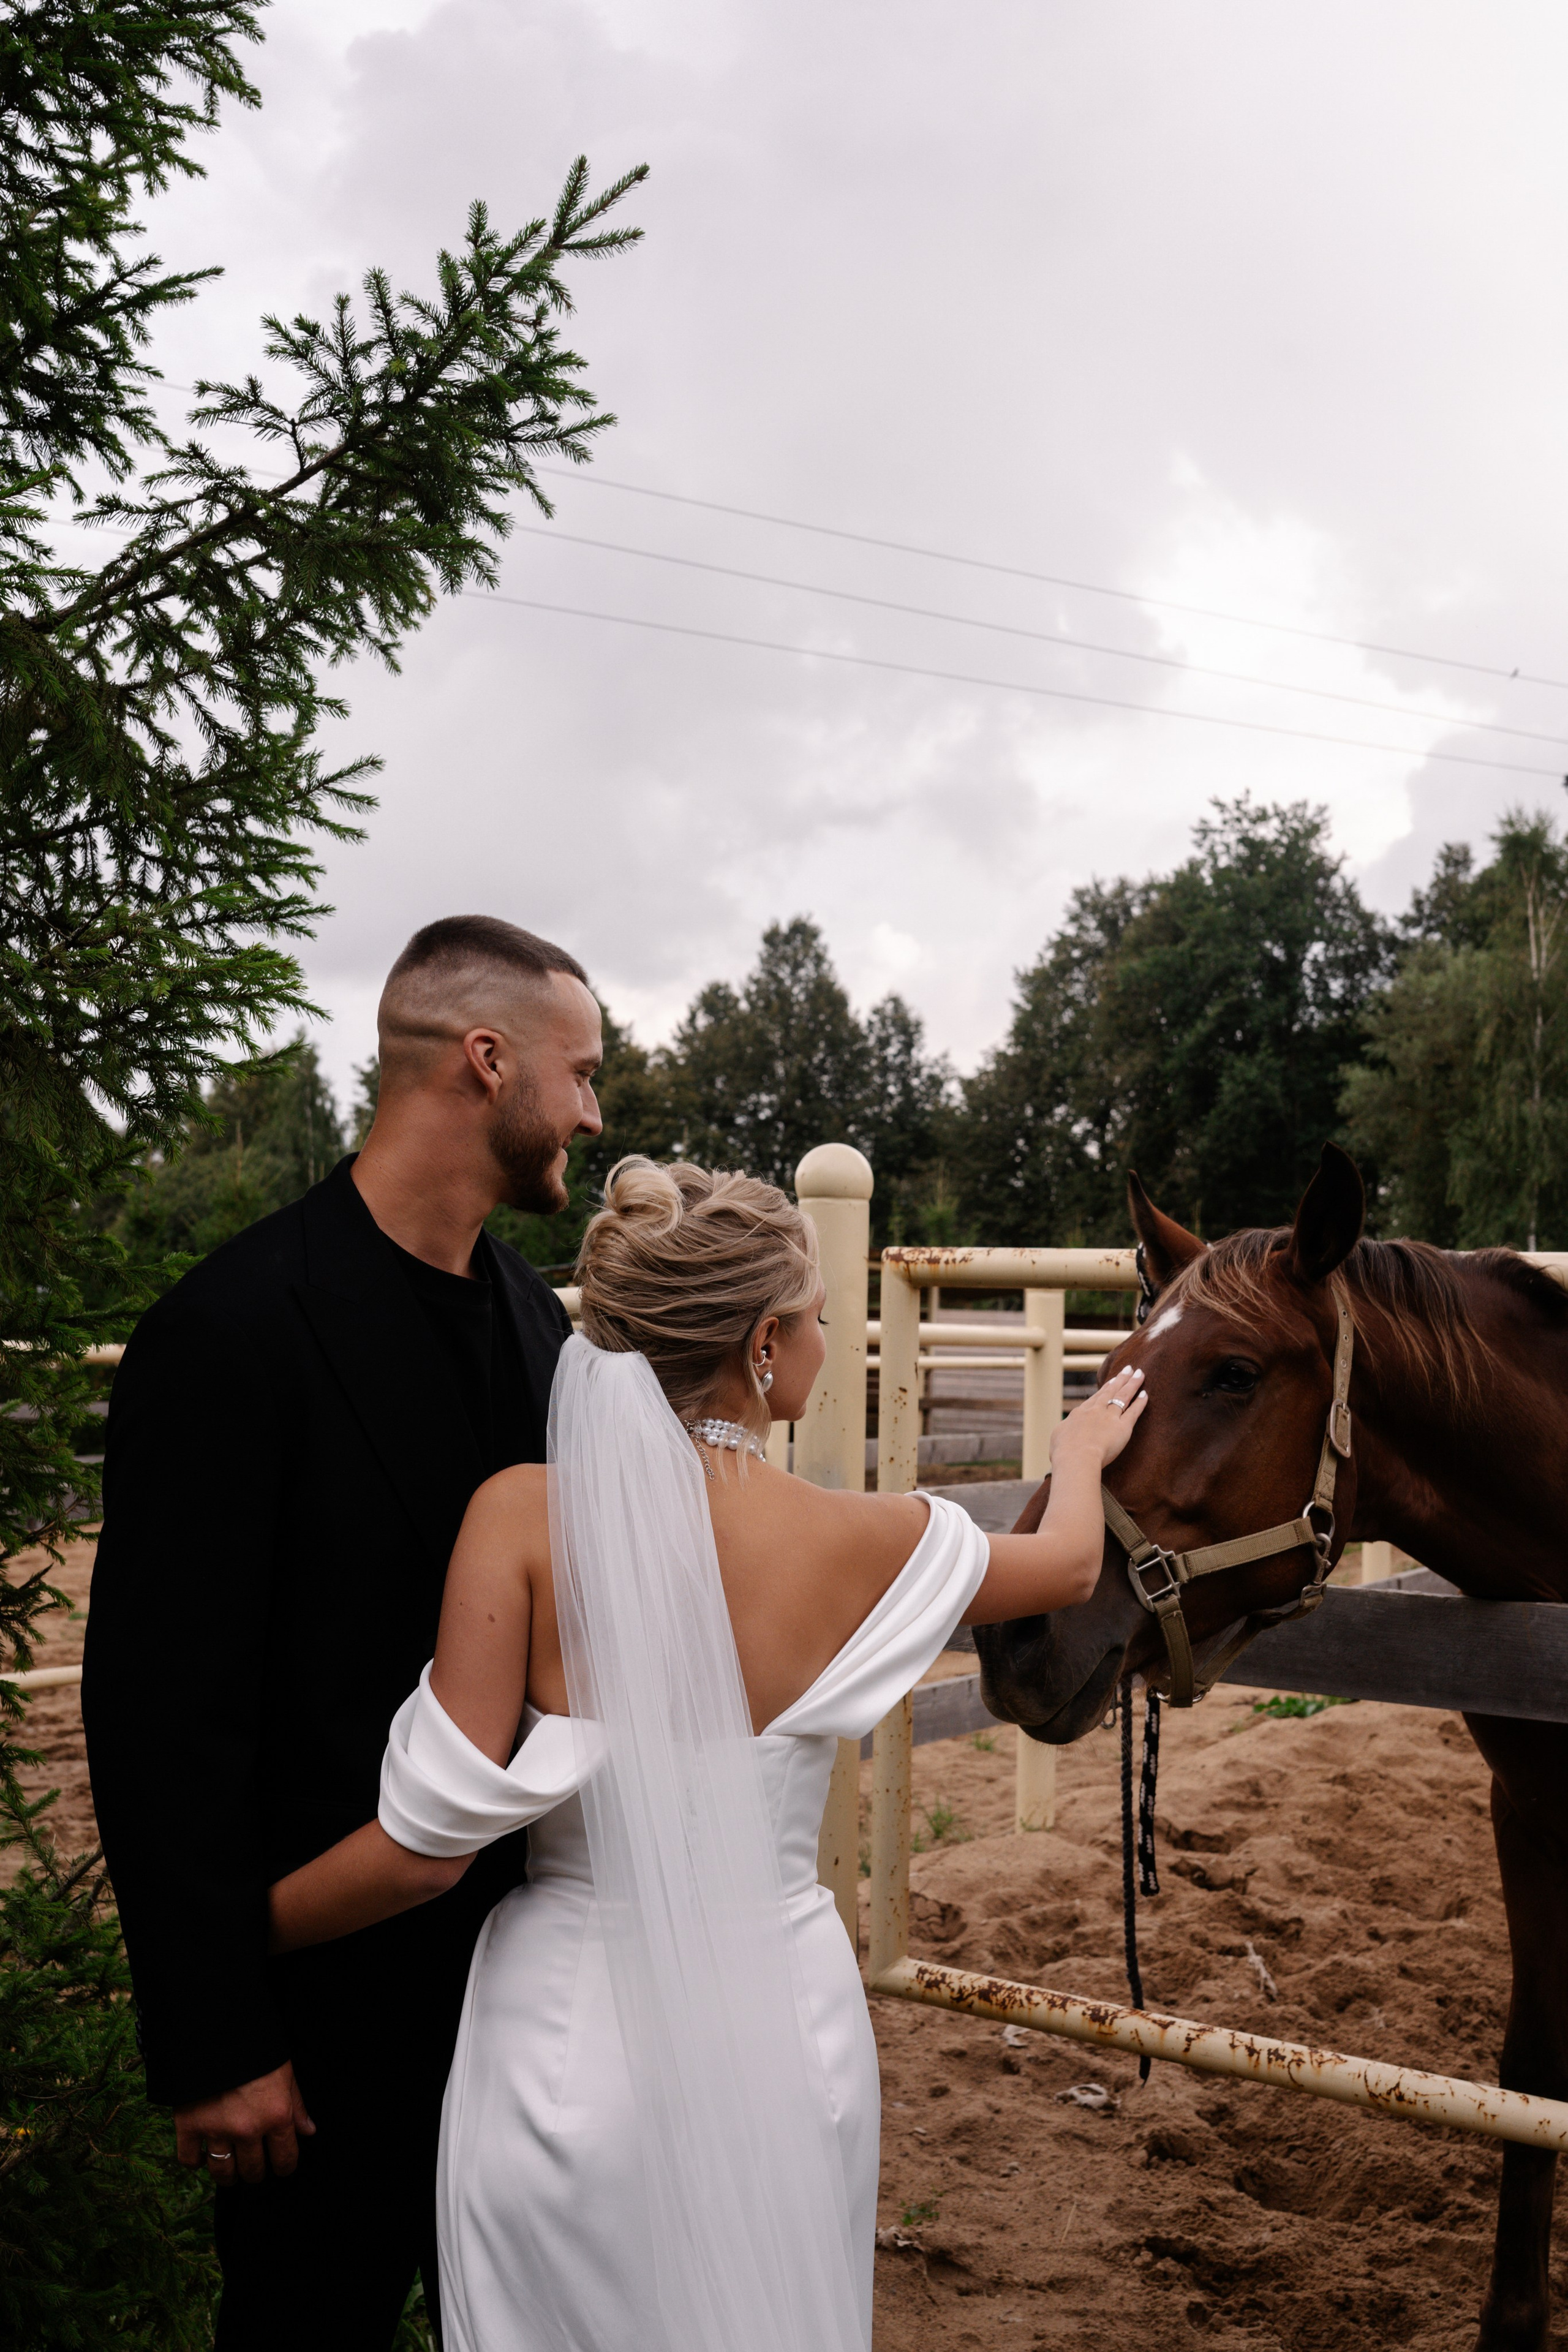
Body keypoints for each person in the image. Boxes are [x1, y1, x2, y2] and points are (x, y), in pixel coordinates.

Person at [264, 1156, 1147, 2352]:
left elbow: (424, 1854)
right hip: (782, 2038)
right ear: (766, 1344)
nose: (828, 1341)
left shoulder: (518, 1517)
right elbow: (1070, 1569)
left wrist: (230, 1936)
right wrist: (1085, 1445)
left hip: (562, 2049)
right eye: (822, 1319)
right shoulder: (863, 1537)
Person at [81, 915, 604, 2351]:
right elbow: (157, 1718)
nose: (593, 1113)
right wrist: (218, 2042)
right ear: (486, 1064)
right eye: (582, 1073)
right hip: (318, 2036)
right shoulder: (232, 1328)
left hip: (526, 2012)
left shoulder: (539, 1330)